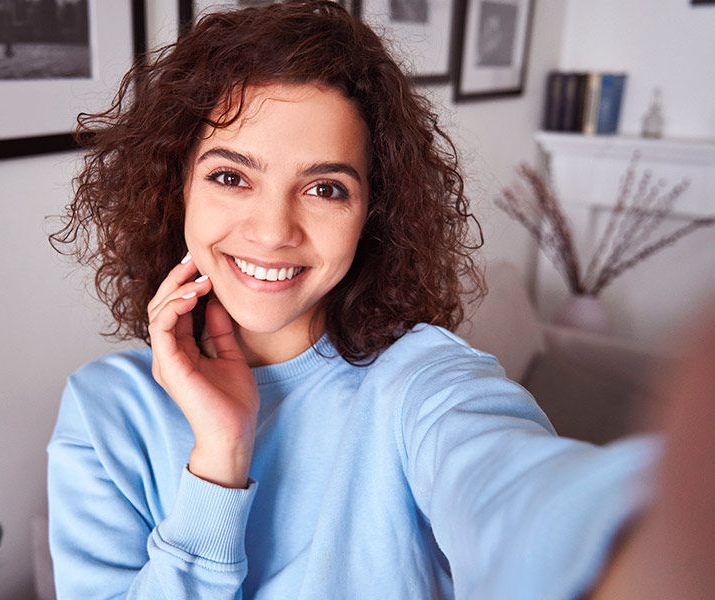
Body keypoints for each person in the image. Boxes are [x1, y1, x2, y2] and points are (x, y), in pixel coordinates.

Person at [47, 1, 712, 598]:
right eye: (230, 176)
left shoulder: (419, 380)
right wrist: (219, 459)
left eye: (325, 188)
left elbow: (514, 488)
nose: (275, 230)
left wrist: (655, 530)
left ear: (371, 212)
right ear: (176, 189)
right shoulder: (104, 413)